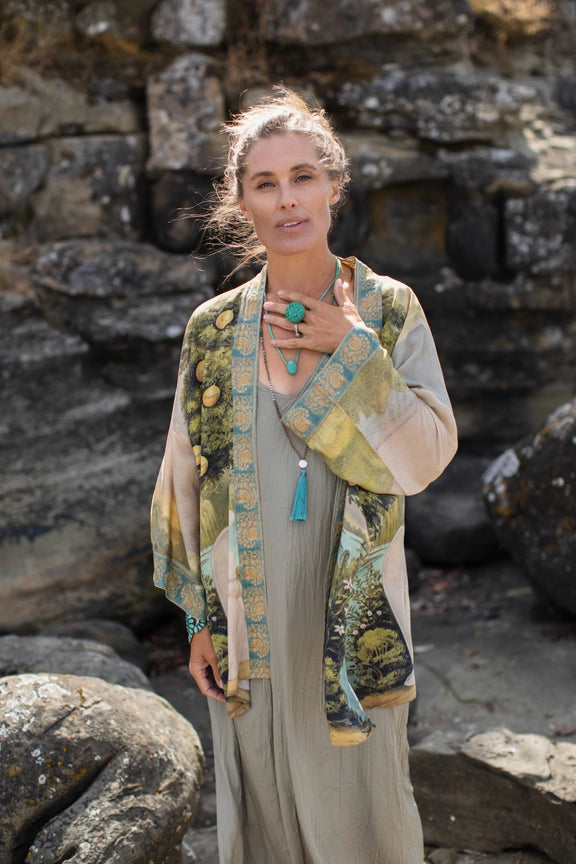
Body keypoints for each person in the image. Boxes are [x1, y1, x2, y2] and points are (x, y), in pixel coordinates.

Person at [151, 87, 458, 864]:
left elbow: (426, 458)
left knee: (367, 811)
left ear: (333, 187)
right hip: (246, 617)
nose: (287, 199)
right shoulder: (212, 330)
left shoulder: (390, 312)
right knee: (266, 810)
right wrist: (196, 624)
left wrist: (352, 350)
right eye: (265, 183)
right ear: (243, 202)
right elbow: (183, 485)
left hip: (355, 616)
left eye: (302, 177)